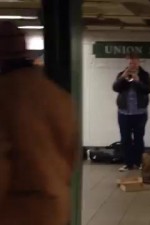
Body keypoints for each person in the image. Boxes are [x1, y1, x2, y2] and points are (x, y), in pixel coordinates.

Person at [0, 21, 78, 225]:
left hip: (17, 211)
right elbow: (71, 154)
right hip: (55, 206)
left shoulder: (6, 95)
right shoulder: (56, 94)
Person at [112, 53, 150, 172]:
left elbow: (148, 90)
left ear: (139, 62)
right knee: (125, 139)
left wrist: (138, 81)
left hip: (140, 113)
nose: (132, 65)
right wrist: (123, 77)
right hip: (124, 113)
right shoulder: (122, 74)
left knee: (139, 138)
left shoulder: (145, 75)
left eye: (134, 63)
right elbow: (115, 88)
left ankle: (139, 162)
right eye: (130, 63)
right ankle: (128, 163)